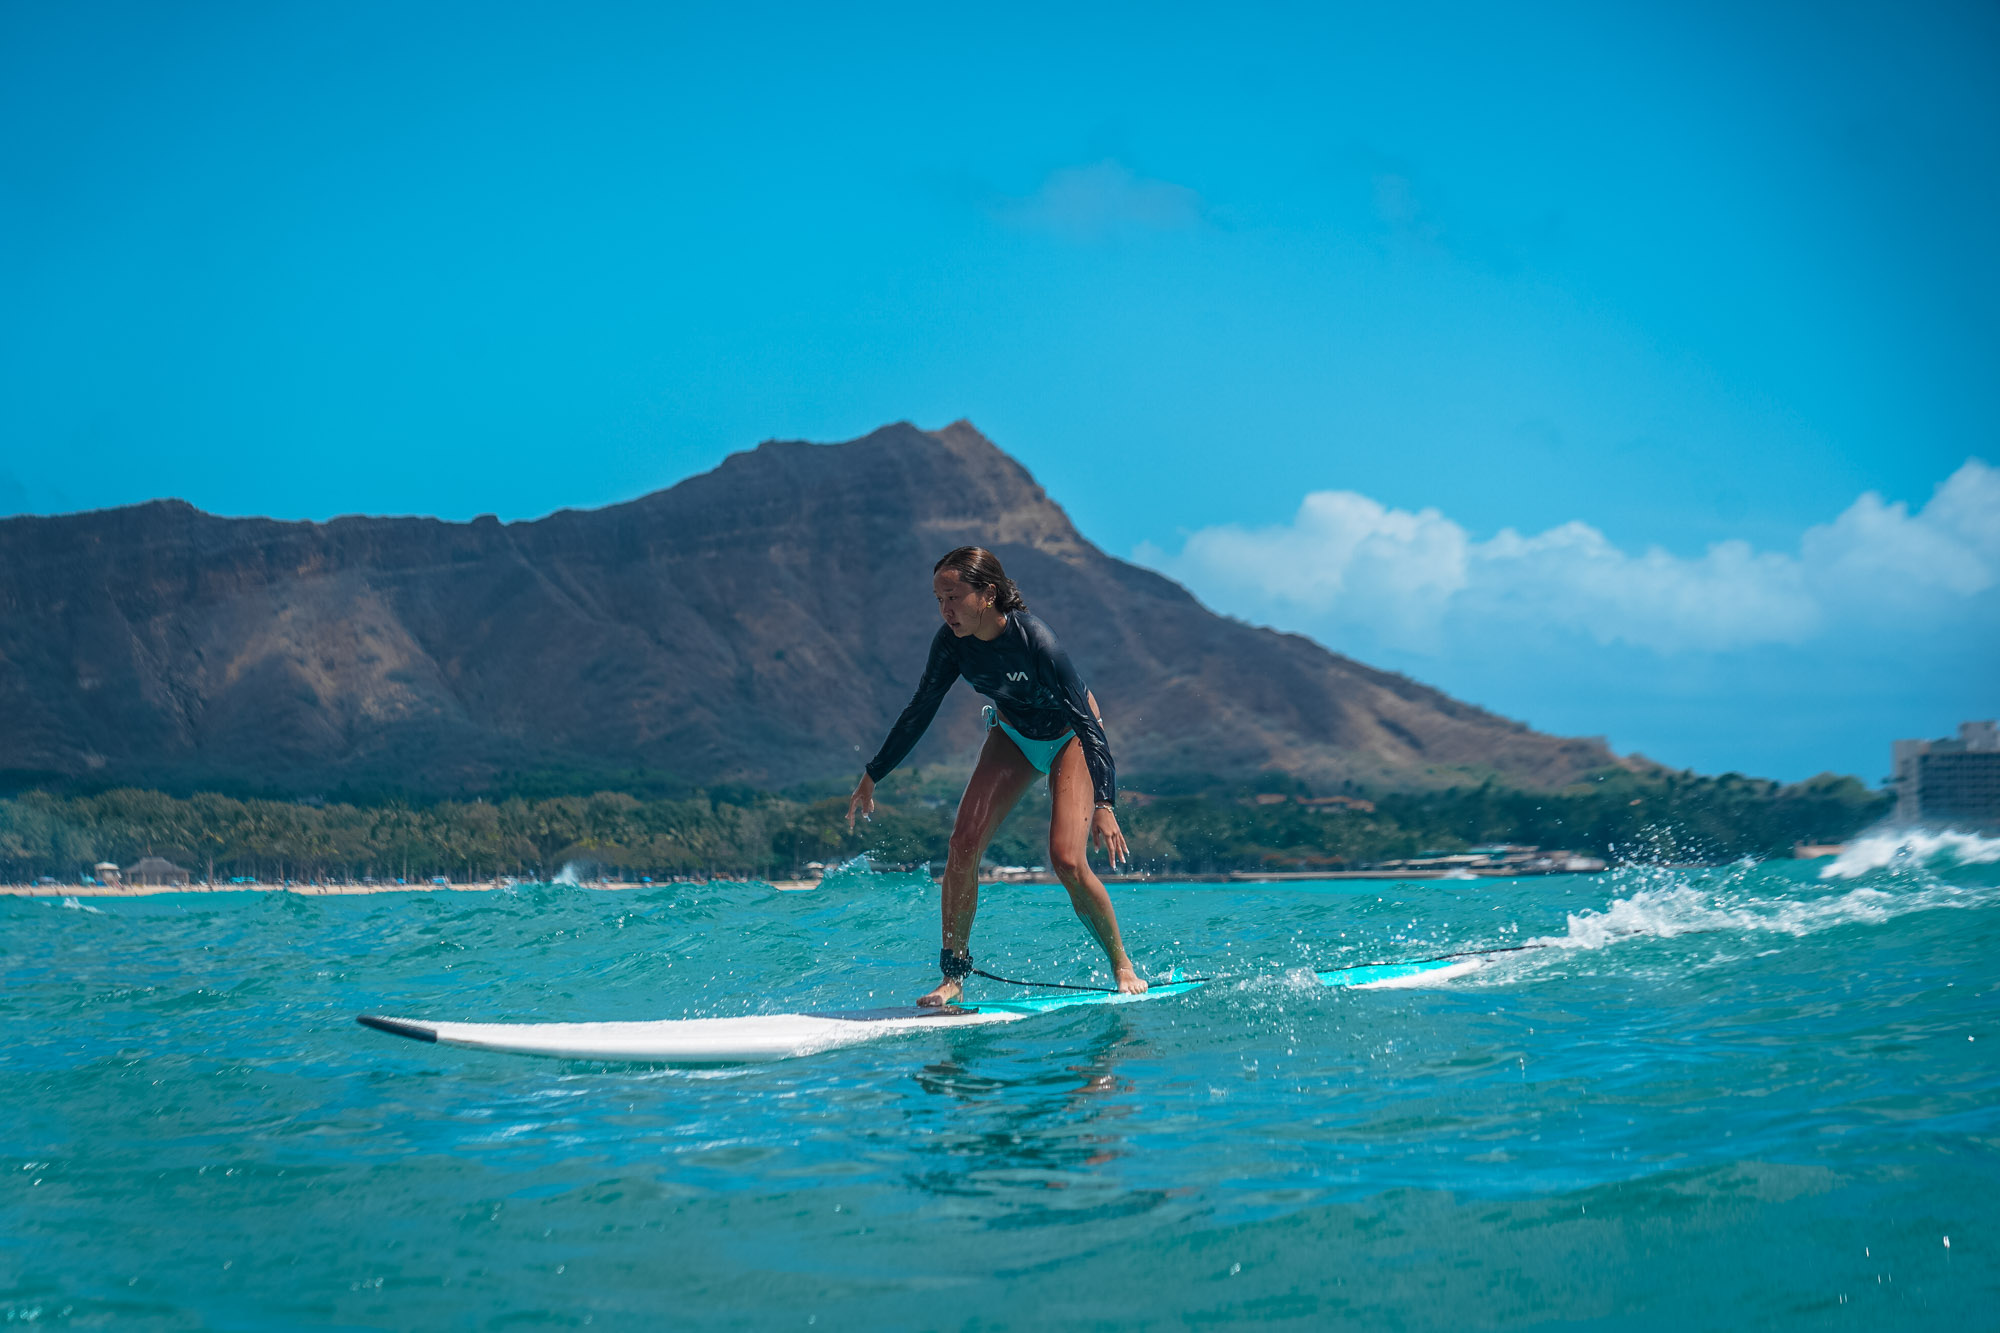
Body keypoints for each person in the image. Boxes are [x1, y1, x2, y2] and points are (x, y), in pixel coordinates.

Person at [847, 546, 1148, 1007]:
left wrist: (1106, 804)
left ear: (987, 594)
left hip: (1071, 736)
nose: (946, 609)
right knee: (962, 844)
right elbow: (920, 709)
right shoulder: (951, 644)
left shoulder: (1035, 640)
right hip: (1013, 736)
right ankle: (953, 976)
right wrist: (874, 773)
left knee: (1066, 860)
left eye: (953, 596)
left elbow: (1087, 723)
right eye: (938, 599)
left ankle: (1122, 965)